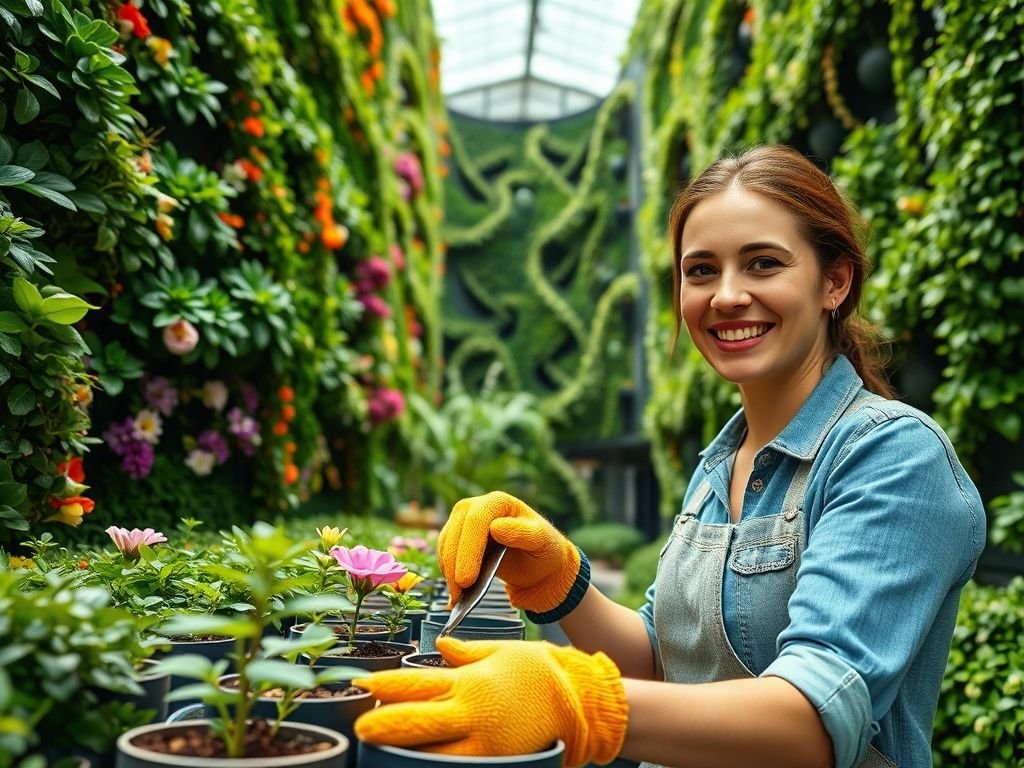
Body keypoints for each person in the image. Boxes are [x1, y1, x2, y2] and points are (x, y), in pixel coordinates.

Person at [353, 145, 986, 768]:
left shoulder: (892, 457)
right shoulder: (722, 461)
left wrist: (578, 701)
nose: (727, 295)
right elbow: (665, 662)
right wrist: (557, 582)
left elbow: (813, 720)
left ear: (835, 281)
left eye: (763, 263)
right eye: (702, 270)